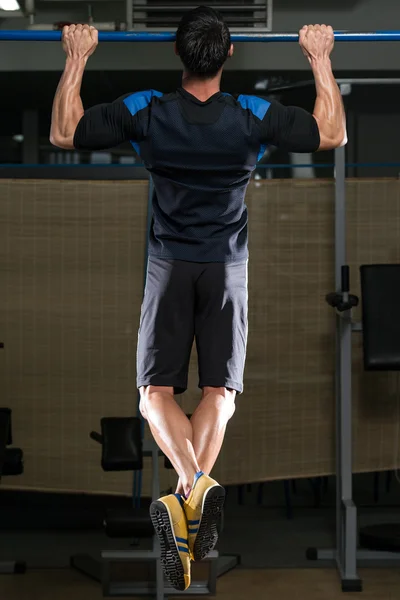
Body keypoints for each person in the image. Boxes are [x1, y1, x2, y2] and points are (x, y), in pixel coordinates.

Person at [50, 6, 346, 591]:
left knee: (153, 394)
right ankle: (195, 496)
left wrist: (78, 56)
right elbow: (330, 132)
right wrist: (319, 57)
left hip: (168, 266)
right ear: (229, 54)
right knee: (221, 394)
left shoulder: (148, 111)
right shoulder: (251, 115)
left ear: (178, 56)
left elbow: (64, 130)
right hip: (225, 270)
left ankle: (192, 486)